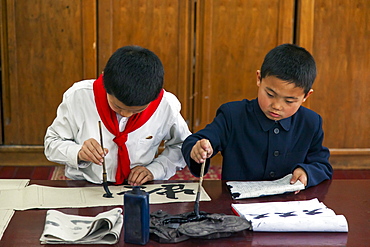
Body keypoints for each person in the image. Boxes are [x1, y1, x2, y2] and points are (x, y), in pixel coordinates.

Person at [181, 43, 332, 188]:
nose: (277, 106)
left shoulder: (310, 122)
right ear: (259, 78)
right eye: (270, 94)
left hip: (288, 205)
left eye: (289, 101)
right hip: (237, 205)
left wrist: (307, 172)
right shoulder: (233, 115)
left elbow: (322, 165)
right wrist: (198, 148)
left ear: (306, 95)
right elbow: (194, 141)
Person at [45, 45, 191, 186]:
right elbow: (52, 143)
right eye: (118, 107)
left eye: (136, 111)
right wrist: (78, 152)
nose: (126, 114)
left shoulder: (165, 105)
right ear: (105, 83)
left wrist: (156, 169)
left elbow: (182, 145)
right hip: (85, 184)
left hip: (139, 188)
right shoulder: (78, 97)